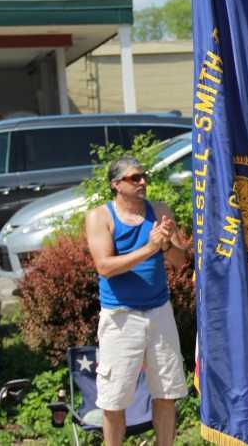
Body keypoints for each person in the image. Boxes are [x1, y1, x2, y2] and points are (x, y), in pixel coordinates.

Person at [85, 156, 189, 446]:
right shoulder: (100, 217)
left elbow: (180, 262)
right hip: (120, 317)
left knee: (167, 394)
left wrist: (167, 244)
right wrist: (150, 247)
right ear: (116, 184)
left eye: (143, 176)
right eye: (134, 178)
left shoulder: (160, 212)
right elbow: (105, 267)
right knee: (114, 400)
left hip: (159, 313)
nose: (142, 182)